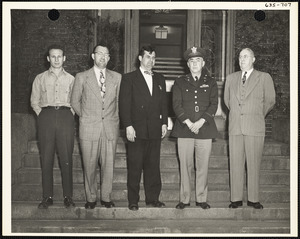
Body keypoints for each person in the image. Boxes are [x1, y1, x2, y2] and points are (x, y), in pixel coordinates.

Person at [224, 48, 276, 209]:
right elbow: (227, 101)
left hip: (255, 126)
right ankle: (236, 199)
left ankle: (253, 199)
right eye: (240, 57)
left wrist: (255, 114)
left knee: (254, 163)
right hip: (235, 127)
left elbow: (270, 101)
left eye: (245, 56)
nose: (242, 59)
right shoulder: (231, 78)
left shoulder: (264, 77)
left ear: (254, 59)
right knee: (235, 163)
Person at [71, 44, 121, 209]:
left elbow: (120, 103)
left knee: (108, 165)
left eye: (106, 54)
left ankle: (106, 197)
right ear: (93, 56)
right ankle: (91, 198)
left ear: (109, 58)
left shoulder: (117, 78)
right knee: (89, 165)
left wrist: (115, 120)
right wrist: (85, 117)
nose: (103, 57)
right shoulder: (81, 77)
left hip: (109, 127)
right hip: (89, 127)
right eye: (99, 53)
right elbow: (74, 101)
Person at [119, 45, 168, 211]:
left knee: (153, 166)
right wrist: (128, 126)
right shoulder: (129, 78)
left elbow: (164, 104)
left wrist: (164, 123)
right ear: (140, 58)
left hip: (154, 129)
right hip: (137, 130)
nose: (151, 61)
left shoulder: (160, 78)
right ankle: (133, 200)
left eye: (153, 58)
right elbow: (124, 105)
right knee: (135, 166)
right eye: (147, 57)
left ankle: (152, 198)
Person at [171, 46, 219, 210]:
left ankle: (201, 198)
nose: (195, 63)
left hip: (205, 129)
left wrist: (200, 122)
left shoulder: (211, 82)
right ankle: (184, 199)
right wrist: (189, 123)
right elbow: (176, 105)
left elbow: (214, 105)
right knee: (185, 166)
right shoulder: (179, 81)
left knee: (202, 166)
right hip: (184, 129)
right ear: (188, 64)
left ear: (203, 63)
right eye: (191, 61)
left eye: (198, 60)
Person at [30, 44, 75, 209]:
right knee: (47, 158)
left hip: (65, 117)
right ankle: (47, 197)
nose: (56, 59)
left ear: (64, 58)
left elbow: (76, 101)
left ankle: (68, 197)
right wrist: (41, 114)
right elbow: (34, 101)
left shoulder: (72, 79)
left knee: (66, 158)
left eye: (59, 56)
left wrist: (70, 114)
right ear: (48, 58)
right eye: (53, 56)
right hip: (46, 116)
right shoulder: (40, 78)